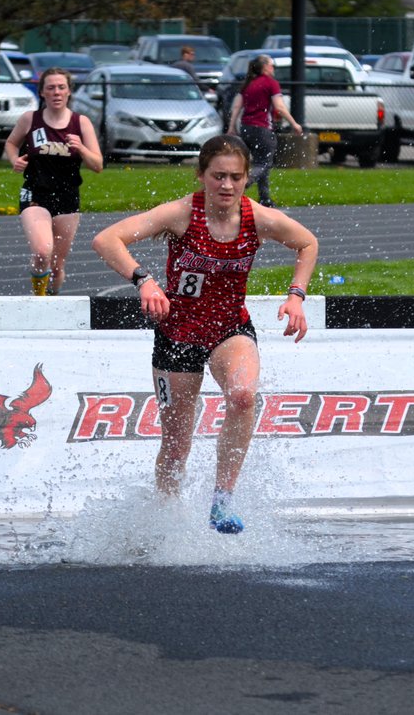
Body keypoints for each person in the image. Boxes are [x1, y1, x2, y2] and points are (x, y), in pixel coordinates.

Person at [91, 134, 318, 534]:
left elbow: (307, 243)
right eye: (218, 176)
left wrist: (296, 295)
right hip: (177, 334)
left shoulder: (258, 218)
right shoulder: (181, 214)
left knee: (244, 394)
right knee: (177, 443)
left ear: (247, 179)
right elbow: (107, 239)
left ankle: (222, 499)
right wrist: (143, 281)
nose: (226, 186)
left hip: (229, 328)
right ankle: (164, 516)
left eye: (235, 177)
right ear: (201, 176)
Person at [5, 67, 103, 296]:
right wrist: (14, 160)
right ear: (42, 93)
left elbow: (97, 165)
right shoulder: (31, 119)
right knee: (41, 252)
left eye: (61, 87)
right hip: (35, 194)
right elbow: (10, 143)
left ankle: (52, 301)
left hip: (67, 197)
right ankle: (39, 300)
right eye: (51, 88)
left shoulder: (81, 123)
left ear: (69, 92)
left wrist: (81, 149)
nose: (56, 92)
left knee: (57, 266)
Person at [226, 54, 303, 208]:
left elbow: (236, 107)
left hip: (246, 128)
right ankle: (243, 184)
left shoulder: (248, 83)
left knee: (260, 161)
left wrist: (231, 126)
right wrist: (294, 123)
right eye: (271, 65)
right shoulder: (270, 83)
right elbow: (279, 107)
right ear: (265, 67)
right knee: (264, 163)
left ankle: (265, 198)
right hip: (262, 128)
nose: (273, 68)